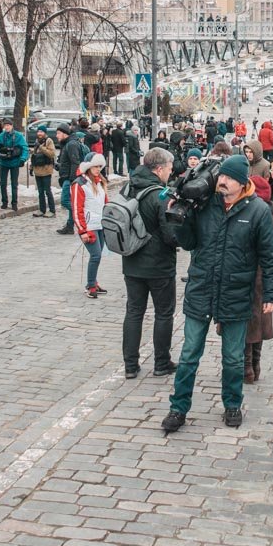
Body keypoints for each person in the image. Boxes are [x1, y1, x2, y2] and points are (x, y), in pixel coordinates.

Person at [161, 154, 273, 434]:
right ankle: (178, 408)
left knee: (233, 358)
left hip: (236, 293)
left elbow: (269, 256)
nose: (222, 181)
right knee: (189, 355)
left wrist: (271, 294)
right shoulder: (205, 204)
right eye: (221, 176)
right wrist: (182, 219)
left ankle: (232, 404)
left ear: (242, 182)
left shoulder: (258, 210)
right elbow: (189, 243)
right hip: (201, 289)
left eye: (228, 178)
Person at [122, 148, 179, 378]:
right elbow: (169, 235)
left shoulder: (129, 187)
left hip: (132, 260)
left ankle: (130, 365)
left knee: (134, 312)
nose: (170, 172)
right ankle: (161, 362)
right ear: (159, 169)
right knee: (164, 313)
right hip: (159, 265)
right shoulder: (160, 195)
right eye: (169, 168)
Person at [245, 176, 273, 383]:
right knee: (259, 320)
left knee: (245, 322)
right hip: (267, 274)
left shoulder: (251, 213)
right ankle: (255, 365)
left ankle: (246, 368)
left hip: (250, 271)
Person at [72, 153, 109, 298]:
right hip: (89, 226)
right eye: (95, 166)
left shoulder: (100, 182)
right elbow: (77, 209)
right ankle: (91, 285)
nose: (98, 169)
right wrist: (82, 231)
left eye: (100, 166)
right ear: (88, 167)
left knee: (98, 255)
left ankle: (93, 281)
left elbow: (105, 203)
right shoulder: (79, 184)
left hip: (100, 224)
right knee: (96, 255)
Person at [55, 124, 83, 235]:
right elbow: (67, 161)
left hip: (70, 178)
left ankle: (79, 214)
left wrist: (73, 180)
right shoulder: (67, 143)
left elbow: (75, 162)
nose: (56, 135)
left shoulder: (71, 144)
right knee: (70, 201)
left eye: (58, 133)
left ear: (65, 133)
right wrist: (59, 166)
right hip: (66, 176)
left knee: (65, 201)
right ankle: (70, 226)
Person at [0, 120, 28, 211]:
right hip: (4, 162)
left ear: (12, 126)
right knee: (3, 184)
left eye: (8, 125)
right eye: (5, 125)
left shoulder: (18, 136)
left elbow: (24, 148)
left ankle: (14, 203)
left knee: (14, 184)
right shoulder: (1, 136)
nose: (7, 127)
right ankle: (4, 202)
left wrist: (23, 159)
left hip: (15, 162)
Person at [29, 128, 57, 218]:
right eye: (38, 131)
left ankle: (52, 210)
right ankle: (42, 209)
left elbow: (51, 154)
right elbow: (34, 155)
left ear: (45, 133)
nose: (39, 133)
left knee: (47, 191)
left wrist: (41, 147)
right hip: (37, 170)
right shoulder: (37, 141)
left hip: (46, 170)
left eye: (41, 131)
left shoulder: (49, 141)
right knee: (40, 191)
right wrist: (31, 167)